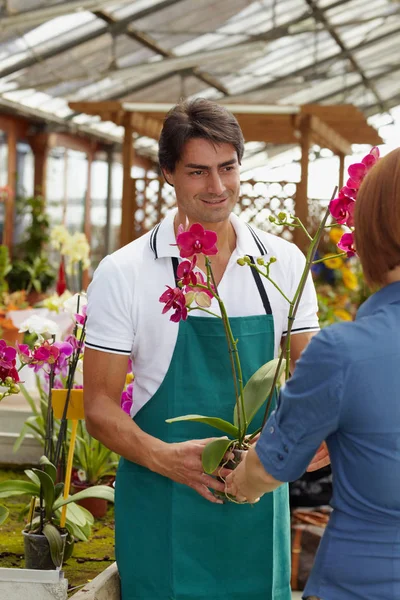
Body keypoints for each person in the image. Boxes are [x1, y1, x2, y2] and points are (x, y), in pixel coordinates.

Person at [83, 98, 321, 600]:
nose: (217, 188)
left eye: (227, 168)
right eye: (197, 172)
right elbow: (100, 407)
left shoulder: (281, 263)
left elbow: (315, 383)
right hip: (161, 499)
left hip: (255, 503)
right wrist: (168, 458)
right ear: (168, 172)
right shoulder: (125, 272)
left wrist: (297, 447)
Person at [226, 147, 400, 600]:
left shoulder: (343, 351)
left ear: (370, 234)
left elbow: (269, 466)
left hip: (362, 582)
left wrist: (239, 482)